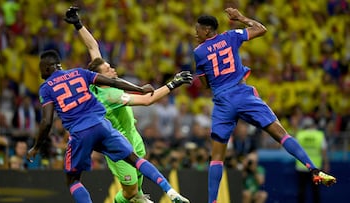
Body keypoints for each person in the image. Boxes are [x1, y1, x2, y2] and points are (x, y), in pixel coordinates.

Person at [192, 7, 337, 203]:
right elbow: (261, 29)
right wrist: (240, 18)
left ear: (207, 30)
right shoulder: (231, 36)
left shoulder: (199, 52)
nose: (195, 33)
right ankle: (314, 169)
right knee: (281, 134)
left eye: (198, 30)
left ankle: (212, 201)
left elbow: (205, 86)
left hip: (222, 102)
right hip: (243, 94)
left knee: (217, 156)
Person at [64, 6, 192, 203]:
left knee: (137, 193)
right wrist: (173, 83)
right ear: (102, 75)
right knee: (130, 193)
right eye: (108, 68)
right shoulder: (110, 94)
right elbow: (148, 100)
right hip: (117, 143)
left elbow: (93, 48)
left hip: (134, 137)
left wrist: (78, 25)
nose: (112, 69)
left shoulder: (96, 83)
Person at [26, 49, 190, 203]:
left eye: (40, 68)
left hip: (80, 133)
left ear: (47, 68)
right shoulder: (80, 73)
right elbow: (113, 80)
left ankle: (141, 197)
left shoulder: (46, 87)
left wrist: (35, 147)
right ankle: (169, 191)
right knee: (135, 167)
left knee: (73, 179)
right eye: (108, 67)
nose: (112, 69)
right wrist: (141, 88)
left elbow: (47, 121)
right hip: (103, 127)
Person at [295, 117, 330, 203]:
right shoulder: (319, 135)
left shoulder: (300, 134)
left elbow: (295, 149)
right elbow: (324, 150)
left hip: (302, 166)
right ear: (313, 125)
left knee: (301, 190)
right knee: (316, 190)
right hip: (315, 167)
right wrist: (326, 164)